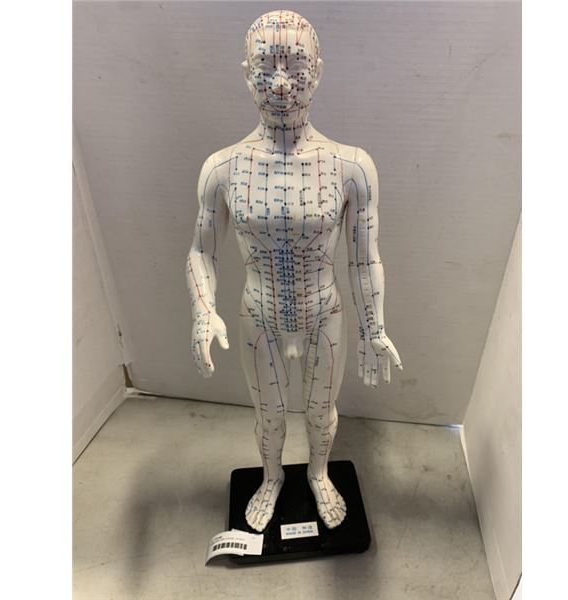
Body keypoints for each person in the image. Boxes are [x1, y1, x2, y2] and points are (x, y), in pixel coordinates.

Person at [186, 10, 402, 532]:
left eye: (296, 65)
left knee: (322, 410)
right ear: (247, 74)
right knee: (269, 413)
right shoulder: (222, 168)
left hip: (323, 310)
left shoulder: (351, 166)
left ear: (318, 71)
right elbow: (201, 251)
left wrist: (374, 328)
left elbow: (364, 256)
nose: (281, 82)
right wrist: (203, 309)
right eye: (266, 66)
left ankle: (319, 472)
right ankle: (271, 476)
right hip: (258, 312)